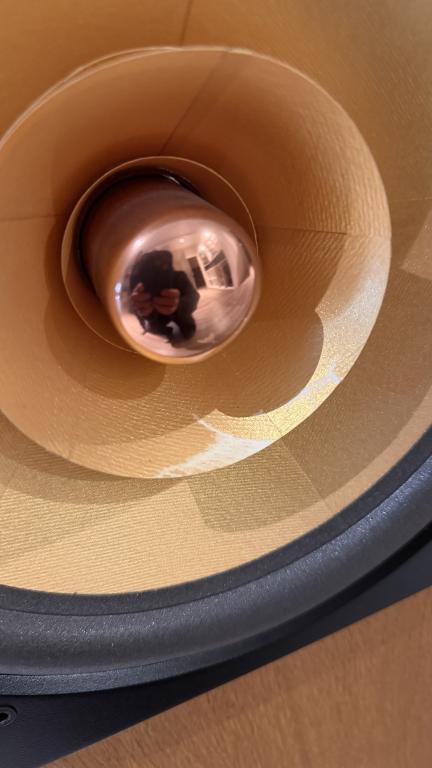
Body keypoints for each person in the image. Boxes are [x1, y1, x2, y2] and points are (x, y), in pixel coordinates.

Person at [129, 250, 199, 342]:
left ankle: (170, 326)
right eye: (151, 270)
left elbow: (194, 296)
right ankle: (162, 329)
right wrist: (144, 313)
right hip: (156, 317)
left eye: (162, 267)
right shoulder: (138, 283)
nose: (156, 275)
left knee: (189, 330)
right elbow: (137, 311)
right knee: (156, 329)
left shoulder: (179, 276)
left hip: (179, 314)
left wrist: (178, 305)